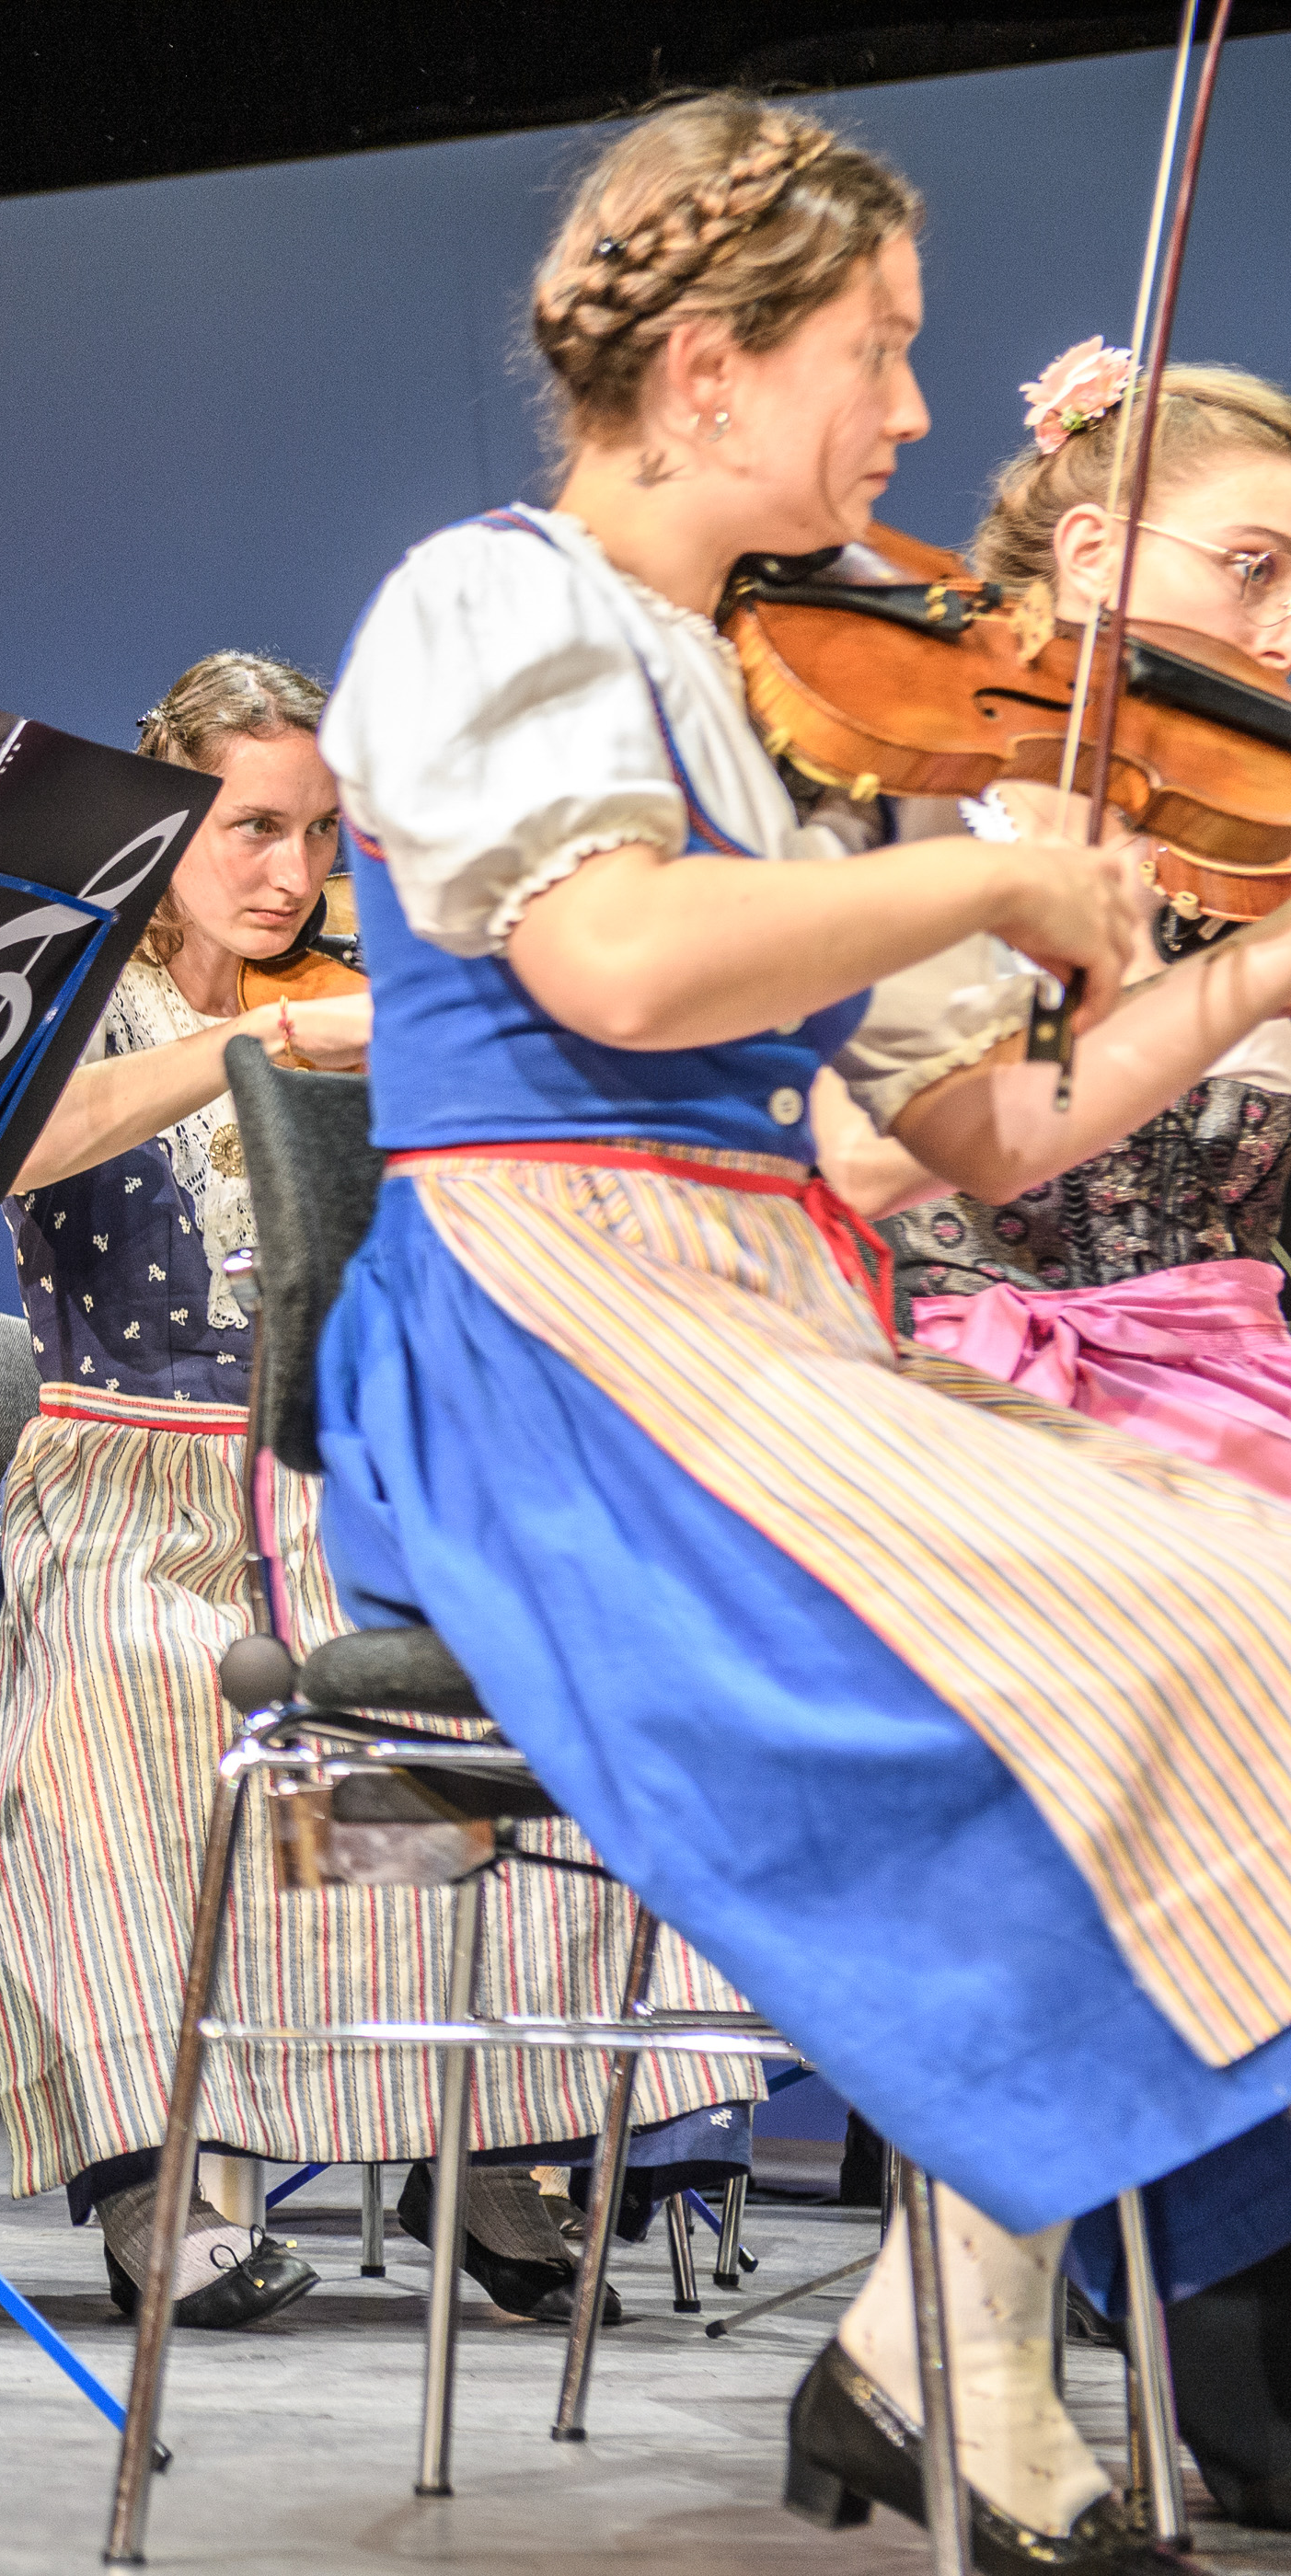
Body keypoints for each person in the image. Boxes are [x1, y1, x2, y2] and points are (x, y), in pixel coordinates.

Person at [317, 92, 1291, 2565]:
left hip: (764, 1316)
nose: (917, 418)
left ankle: (926, 2344)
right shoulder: (488, 598)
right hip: (544, 1337)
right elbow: (612, 957)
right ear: (714, 372)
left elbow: (984, 1136)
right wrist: (988, 858)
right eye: (879, 354)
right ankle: (951, 2358)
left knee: (1235, 1593)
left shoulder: (803, 690)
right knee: (1145, 1615)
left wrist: (1236, 956)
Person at [0, 649, 759, 2333]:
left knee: (424, 1766)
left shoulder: (366, 991)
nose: (291, 874)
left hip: (341, 1490)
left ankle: (461, 2130)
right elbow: (12, 1145)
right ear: (159, 821)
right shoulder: (64, 987)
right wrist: (279, 1045)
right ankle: (168, 2183)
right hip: (125, 1496)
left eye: (320, 833)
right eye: (251, 828)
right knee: (131, 1732)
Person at [816, 355, 1291, 1497]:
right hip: (959, 1404)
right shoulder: (909, 824)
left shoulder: (1257, 855)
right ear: (1091, 558)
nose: (1285, 623)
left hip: (1255, 1399)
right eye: (1253, 567)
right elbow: (859, 1167)